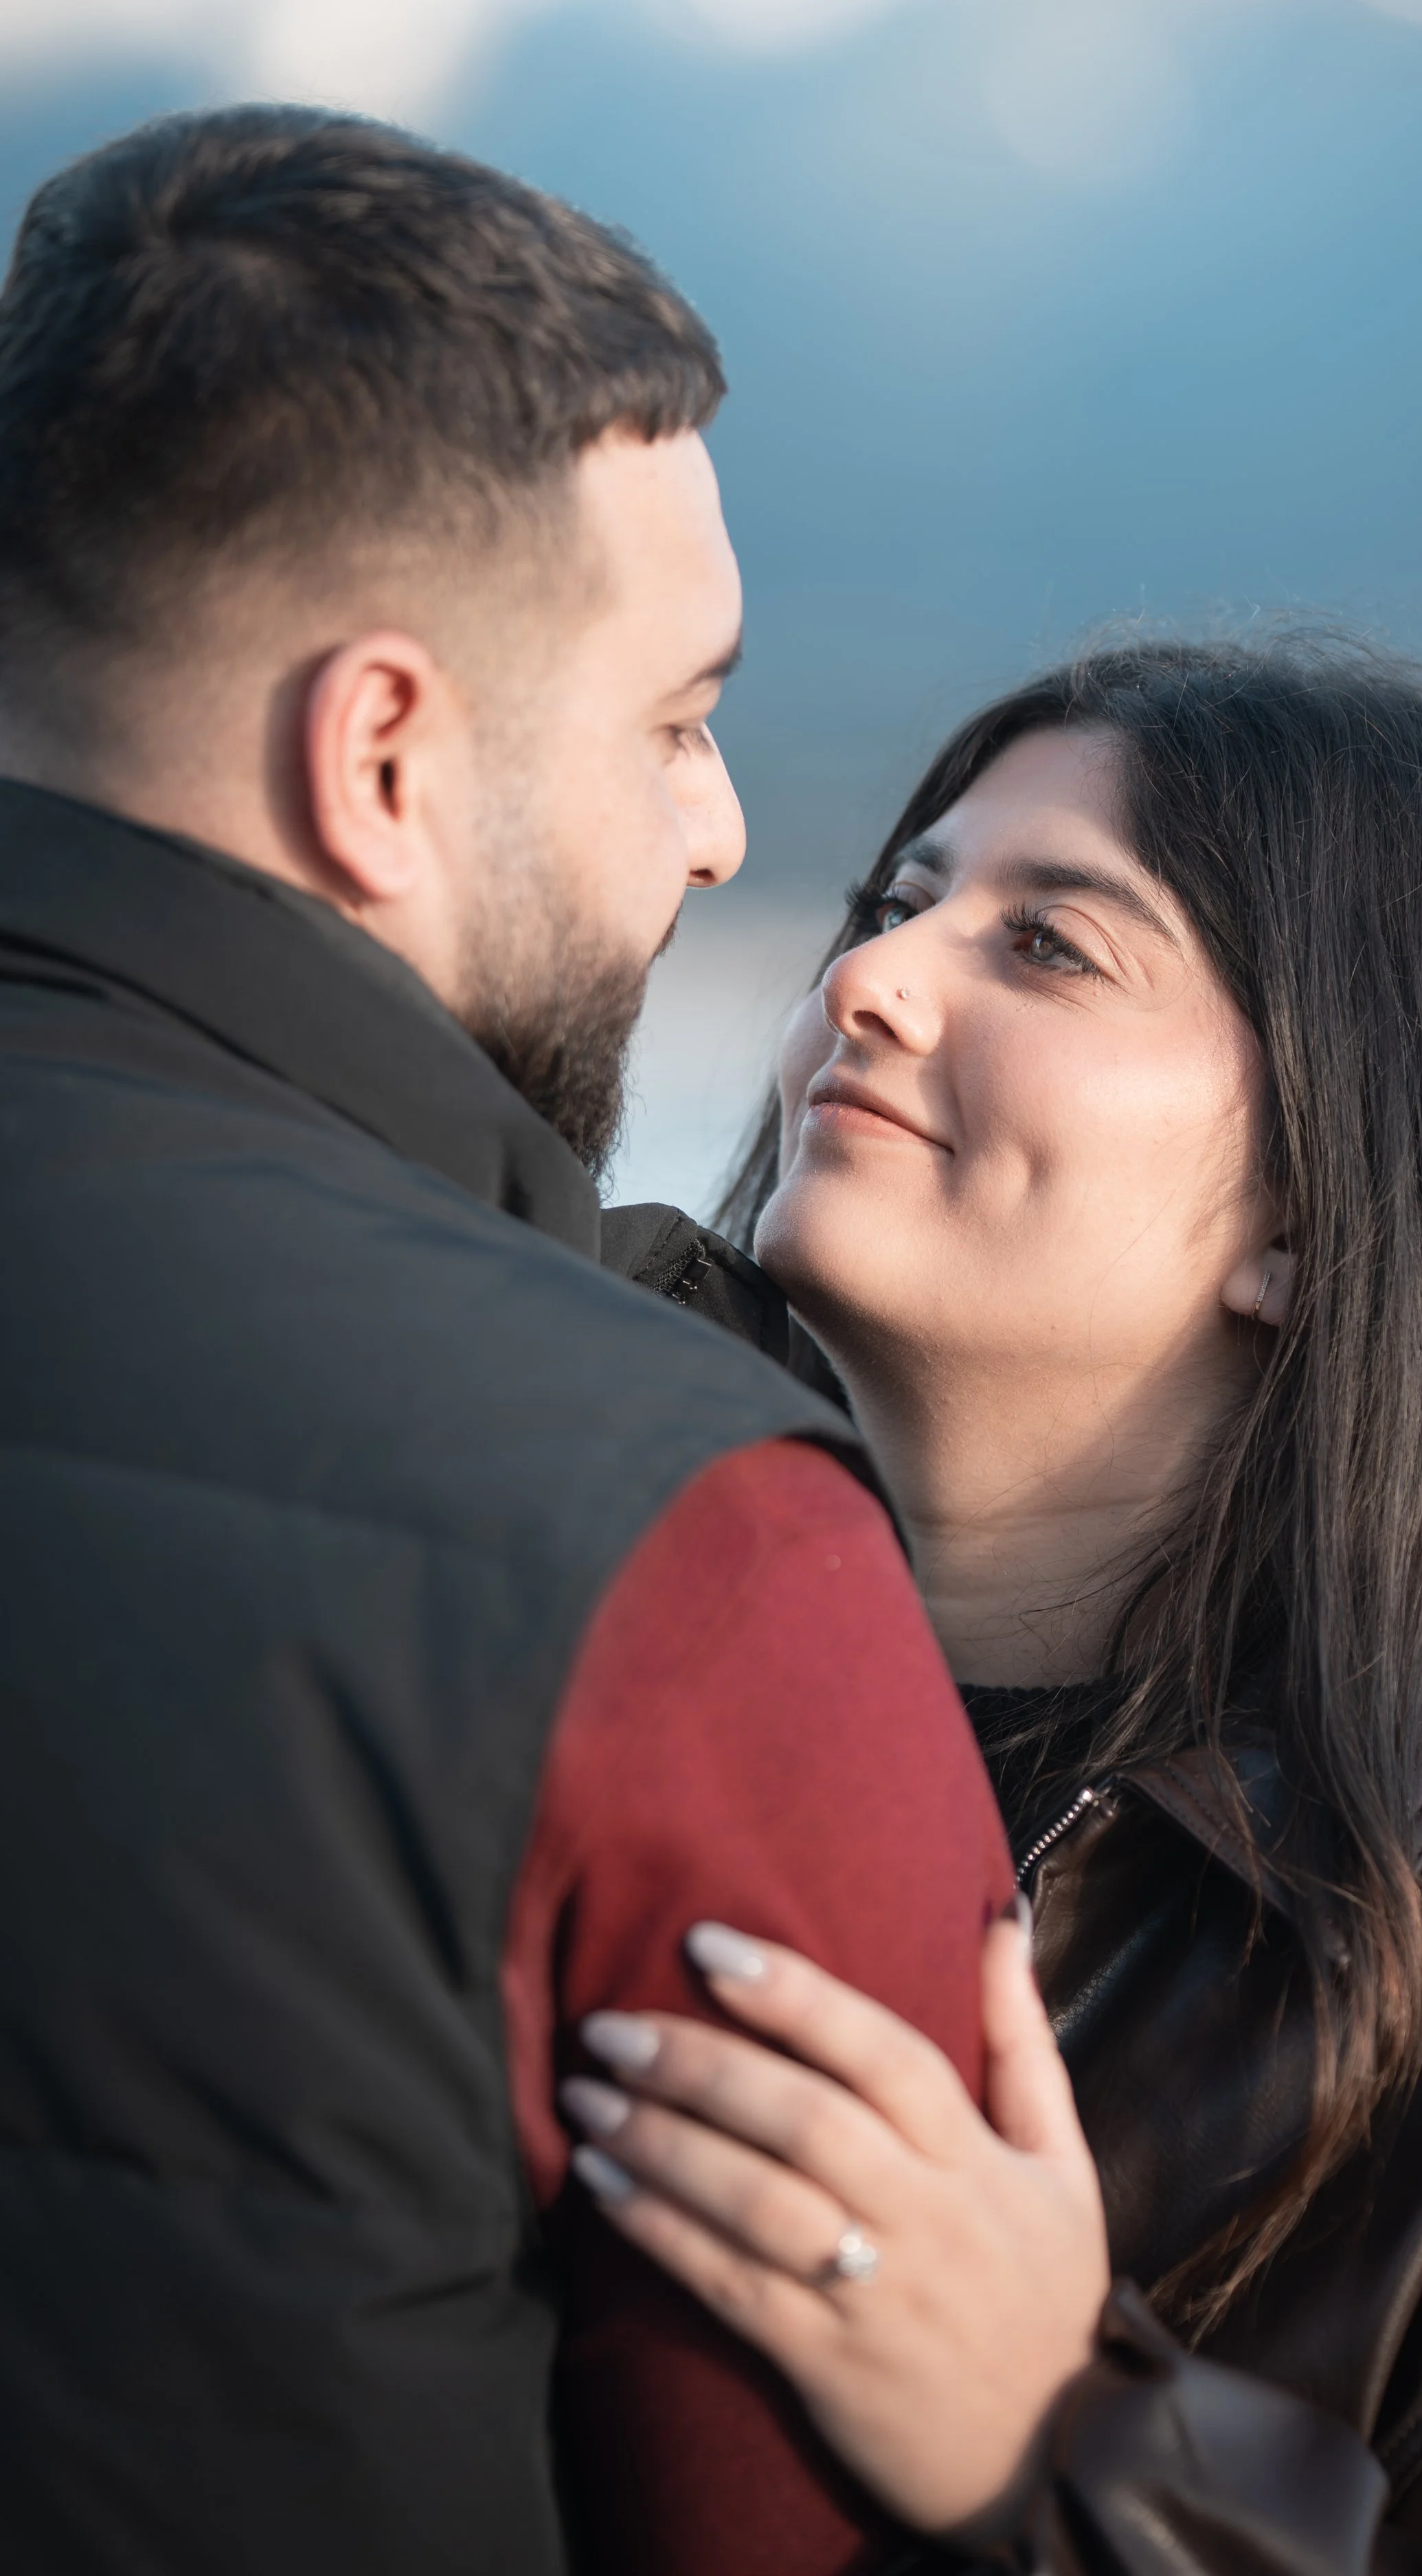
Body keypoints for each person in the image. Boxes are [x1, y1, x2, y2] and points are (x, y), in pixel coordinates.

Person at [0, 107, 1019, 2576]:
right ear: (381, 757)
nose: (715, 832)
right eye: (678, 717)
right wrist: (1046, 2449)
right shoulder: (680, 1542)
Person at [561, 641, 1422, 2573]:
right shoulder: (554, 1547)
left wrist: (1064, 2441)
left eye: (1050, 948)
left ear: (1322, 1206)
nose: (866, 980)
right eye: (900, 900)